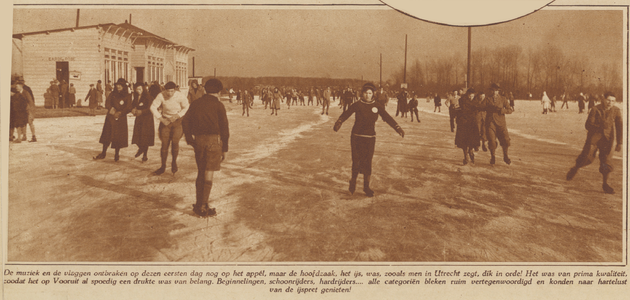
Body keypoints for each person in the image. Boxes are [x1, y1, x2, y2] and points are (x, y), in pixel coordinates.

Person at [333, 82, 405, 197]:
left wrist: (397, 127)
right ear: (362, 93)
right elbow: (346, 113)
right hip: (356, 136)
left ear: (373, 94)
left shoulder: (377, 106)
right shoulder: (357, 104)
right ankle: (353, 182)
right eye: (365, 93)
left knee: (368, 162)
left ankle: (366, 187)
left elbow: (387, 117)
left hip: (370, 138)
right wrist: (339, 122)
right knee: (356, 161)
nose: (367, 95)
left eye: (370, 93)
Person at [182, 78, 230, 218]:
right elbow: (224, 129)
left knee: (201, 171)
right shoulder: (218, 106)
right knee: (208, 173)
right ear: (219, 91)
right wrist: (225, 148)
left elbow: (185, 121)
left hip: (199, 141)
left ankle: (199, 203)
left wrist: (190, 139)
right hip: (213, 141)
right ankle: (203, 206)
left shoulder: (196, 103)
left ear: (205, 89)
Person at [566, 92, 622, 194]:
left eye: (613, 101)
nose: (610, 103)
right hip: (594, 139)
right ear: (603, 99)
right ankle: (575, 168)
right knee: (587, 159)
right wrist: (600, 127)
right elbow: (588, 125)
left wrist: (619, 142)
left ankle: (605, 184)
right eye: (608, 100)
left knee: (606, 163)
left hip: (608, 140)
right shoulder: (595, 109)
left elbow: (619, 127)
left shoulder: (616, 111)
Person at [150, 81, 190, 175]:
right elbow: (153, 107)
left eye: (172, 91)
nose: (170, 93)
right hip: (166, 121)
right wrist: (160, 118)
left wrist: (178, 115)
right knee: (164, 143)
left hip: (177, 122)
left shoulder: (180, 96)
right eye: (168, 91)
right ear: (165, 90)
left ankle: (174, 163)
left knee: (175, 142)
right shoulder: (161, 95)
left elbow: (186, 107)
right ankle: (163, 166)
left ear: (175, 90)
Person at [93, 78, 132, 161]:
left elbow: (128, 107)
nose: (118, 86)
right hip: (110, 117)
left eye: (120, 85)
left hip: (121, 119)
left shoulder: (127, 95)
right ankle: (103, 153)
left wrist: (120, 113)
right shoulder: (112, 94)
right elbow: (107, 103)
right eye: (117, 85)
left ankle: (116, 154)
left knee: (118, 137)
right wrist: (112, 111)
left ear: (123, 86)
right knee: (107, 135)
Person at [483, 83, 513, 165]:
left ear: (498, 91)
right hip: (490, 123)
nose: (495, 92)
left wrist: (502, 111)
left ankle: (505, 156)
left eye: (496, 91)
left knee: (506, 140)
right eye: (493, 91)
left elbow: (510, 110)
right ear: (491, 91)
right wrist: (488, 108)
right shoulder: (487, 99)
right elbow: (481, 107)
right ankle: (493, 157)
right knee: (492, 141)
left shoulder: (503, 99)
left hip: (501, 123)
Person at [131, 83, 156, 162]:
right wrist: (133, 109)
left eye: (140, 89)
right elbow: (132, 104)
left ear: (143, 89)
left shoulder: (148, 96)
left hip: (147, 119)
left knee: (145, 137)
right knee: (137, 136)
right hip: (139, 119)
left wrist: (141, 111)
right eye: (137, 89)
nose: (138, 91)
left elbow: (150, 108)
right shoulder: (136, 96)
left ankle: (145, 155)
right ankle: (141, 148)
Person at [455, 88, 480, 165]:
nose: (471, 97)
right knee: (463, 141)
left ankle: (470, 151)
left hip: (472, 123)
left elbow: (477, 110)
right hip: (464, 123)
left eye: (472, 96)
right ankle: (466, 156)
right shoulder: (462, 100)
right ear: (467, 94)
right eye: (470, 96)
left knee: (472, 140)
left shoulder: (476, 101)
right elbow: (464, 109)